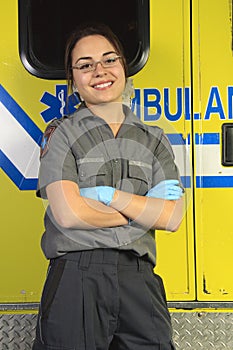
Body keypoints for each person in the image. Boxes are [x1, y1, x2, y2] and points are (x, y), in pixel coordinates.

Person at [33, 23, 184, 350]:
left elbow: (172, 217)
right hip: (77, 275)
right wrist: (143, 209)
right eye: (85, 65)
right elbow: (69, 213)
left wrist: (108, 196)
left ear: (124, 67)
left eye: (109, 60)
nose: (99, 71)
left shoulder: (154, 139)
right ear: (74, 81)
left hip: (139, 276)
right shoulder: (60, 134)